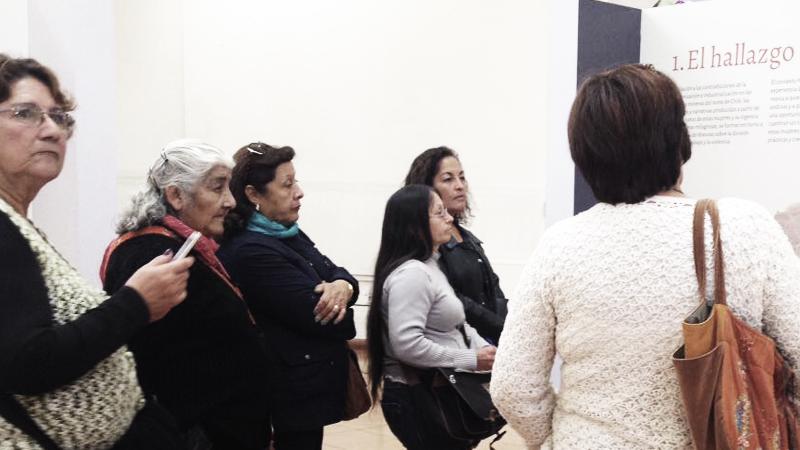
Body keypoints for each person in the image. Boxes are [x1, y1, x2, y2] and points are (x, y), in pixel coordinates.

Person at [490, 64, 800, 449]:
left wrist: (564, 437)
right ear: (679, 141)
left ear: (583, 152)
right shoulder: (744, 227)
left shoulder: (559, 245)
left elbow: (513, 386)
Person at [0, 54, 193, 449]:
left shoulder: (18, 223)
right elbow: (26, 362)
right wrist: (136, 302)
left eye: (59, 116)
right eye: (26, 113)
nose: (53, 130)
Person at [101, 140, 271, 449]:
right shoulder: (152, 255)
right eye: (217, 187)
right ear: (176, 195)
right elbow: (144, 357)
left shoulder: (182, 247)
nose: (231, 201)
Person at [218, 142, 359, 450]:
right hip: (285, 399)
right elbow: (326, 319)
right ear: (254, 194)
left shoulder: (287, 232)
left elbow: (340, 274)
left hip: (306, 394)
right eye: (287, 184)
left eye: (295, 180)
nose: (299, 191)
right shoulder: (250, 251)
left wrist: (342, 287)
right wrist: (342, 300)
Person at [366, 184, 497, 450]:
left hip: (439, 390)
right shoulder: (411, 275)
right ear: (415, 226)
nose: (449, 218)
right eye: (440, 213)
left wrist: (482, 348)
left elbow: (456, 323)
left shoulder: (429, 265)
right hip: (419, 396)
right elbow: (407, 345)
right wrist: (471, 358)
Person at [405, 147, 508, 344]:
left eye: (462, 177)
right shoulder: (426, 245)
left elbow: (494, 290)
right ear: (427, 188)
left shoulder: (468, 238)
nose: (460, 186)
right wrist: (501, 328)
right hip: (457, 348)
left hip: (492, 342)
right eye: (448, 179)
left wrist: (510, 326)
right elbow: (454, 299)